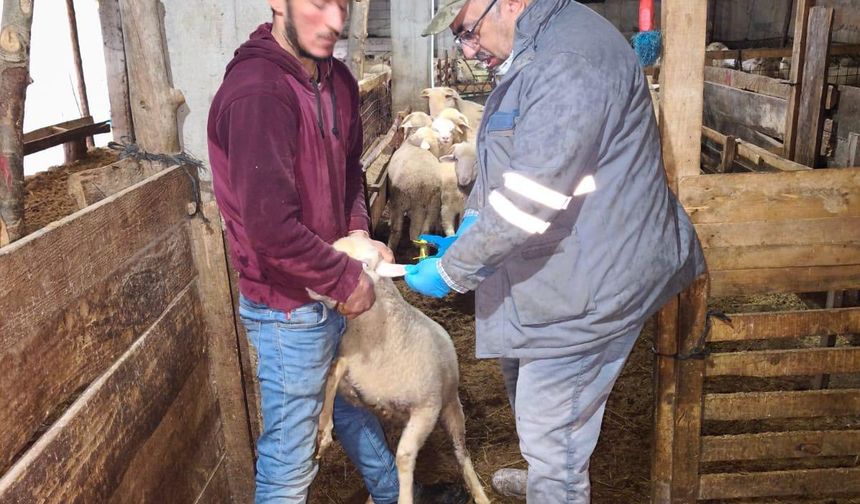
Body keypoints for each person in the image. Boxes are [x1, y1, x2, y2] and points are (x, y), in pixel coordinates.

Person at [407, 0, 707, 502]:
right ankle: (548, 469)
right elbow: (520, 158)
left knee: (553, 427)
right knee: (530, 394)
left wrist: (454, 269)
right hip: (563, 256)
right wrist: (476, 225)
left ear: (512, 3)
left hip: (595, 277)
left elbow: (531, 200)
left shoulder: (568, 60)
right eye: (460, 37)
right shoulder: (536, 47)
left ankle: (556, 478)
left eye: (470, 31)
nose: (468, 48)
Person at [206, 1, 401, 502]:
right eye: (318, 3)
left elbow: (349, 175)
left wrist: (357, 236)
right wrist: (345, 278)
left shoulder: (336, 79)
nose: (336, 22)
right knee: (291, 459)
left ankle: (397, 495)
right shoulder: (257, 92)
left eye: (345, 3)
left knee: (350, 405)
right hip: (288, 310)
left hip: (332, 289)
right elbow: (270, 229)